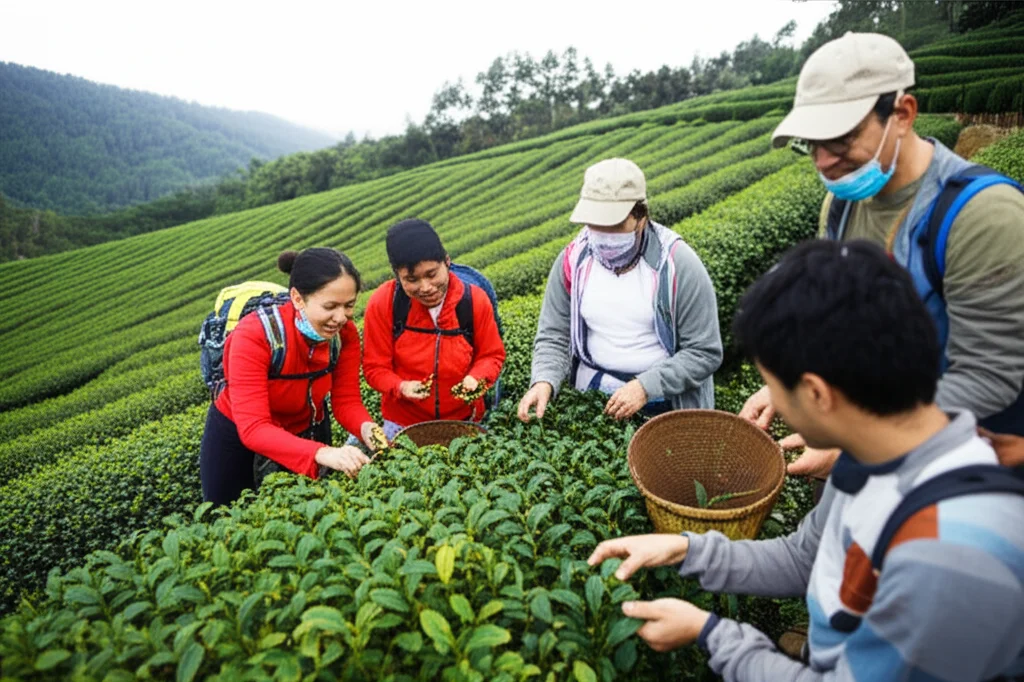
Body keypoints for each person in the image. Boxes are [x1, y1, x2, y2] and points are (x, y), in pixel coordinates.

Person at [588, 239, 1024, 682]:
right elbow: (804, 559)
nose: (771, 404)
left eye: (773, 388)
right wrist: (686, 549)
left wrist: (711, 634)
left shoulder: (949, 556)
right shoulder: (872, 461)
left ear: (816, 393)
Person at [741, 32, 1024, 479]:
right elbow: (835, 324)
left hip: (965, 470)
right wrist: (790, 387)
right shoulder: (841, 207)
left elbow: (990, 377)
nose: (824, 162)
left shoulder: (983, 216)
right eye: (811, 144)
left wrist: (861, 442)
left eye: (840, 139)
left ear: (902, 114)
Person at [518, 157, 721, 422]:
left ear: (640, 216)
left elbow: (704, 352)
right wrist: (544, 380)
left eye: (614, 224)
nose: (602, 234)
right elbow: (554, 334)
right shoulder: (573, 260)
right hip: (592, 395)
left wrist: (645, 387)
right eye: (594, 224)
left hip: (663, 400)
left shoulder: (676, 264)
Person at [199, 248, 381, 506]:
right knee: (225, 514)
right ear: (297, 298)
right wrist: (322, 452)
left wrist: (369, 431)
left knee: (308, 509)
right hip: (238, 434)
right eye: (330, 306)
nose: (341, 317)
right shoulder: (254, 335)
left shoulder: (345, 335)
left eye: (349, 305)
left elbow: (347, 402)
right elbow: (253, 428)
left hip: (308, 427)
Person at [362, 219, 505, 437]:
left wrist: (476, 377)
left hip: (464, 419)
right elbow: (375, 368)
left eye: (432, 274)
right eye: (411, 280)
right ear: (397, 275)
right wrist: (401, 387)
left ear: (446, 261)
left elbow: (491, 355)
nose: (426, 288)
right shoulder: (385, 303)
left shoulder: (473, 300)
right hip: (403, 423)